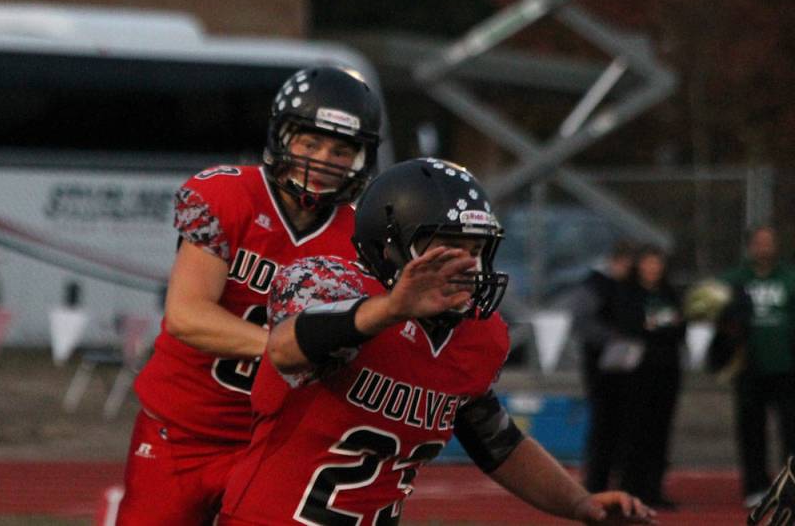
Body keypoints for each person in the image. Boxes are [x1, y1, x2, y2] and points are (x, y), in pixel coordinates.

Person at [218, 158, 656, 525]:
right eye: (448, 248)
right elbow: (284, 349)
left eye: (475, 249)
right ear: (389, 247)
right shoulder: (329, 284)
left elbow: (496, 440)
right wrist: (390, 309)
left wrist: (579, 503)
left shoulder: (476, 335)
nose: (466, 265)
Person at [113, 66, 383, 525]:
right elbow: (186, 315)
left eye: (340, 150)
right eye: (311, 143)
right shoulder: (228, 195)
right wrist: (292, 345)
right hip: (182, 430)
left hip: (276, 445)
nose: (323, 160)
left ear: (360, 158)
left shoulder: (360, 238)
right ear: (283, 137)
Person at [721, 225, 795, 508]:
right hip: (748, 368)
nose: (764, 247)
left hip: (786, 367)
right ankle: (755, 487)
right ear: (750, 246)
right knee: (751, 431)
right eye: (759, 242)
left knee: (790, 431)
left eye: (768, 242)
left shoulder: (789, 278)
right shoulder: (734, 279)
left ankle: (790, 487)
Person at [613, 245, 686, 510]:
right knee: (634, 431)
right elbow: (630, 326)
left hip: (667, 371)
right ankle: (630, 489)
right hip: (637, 374)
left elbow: (680, 329)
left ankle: (654, 489)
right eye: (648, 263)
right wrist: (656, 327)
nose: (653, 268)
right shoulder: (629, 294)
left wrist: (658, 327)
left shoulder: (670, 294)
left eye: (657, 263)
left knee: (660, 432)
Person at [571, 237, 637, 493]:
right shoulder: (596, 285)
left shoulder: (627, 287)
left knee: (623, 427)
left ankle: (623, 481)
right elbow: (583, 322)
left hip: (628, 366)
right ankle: (596, 484)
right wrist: (613, 338)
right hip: (601, 367)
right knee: (603, 426)